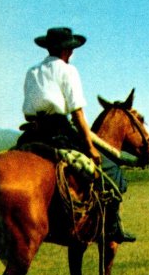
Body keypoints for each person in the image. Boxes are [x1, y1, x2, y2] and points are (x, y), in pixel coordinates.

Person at [17, 26, 136, 243]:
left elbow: (27, 112)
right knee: (110, 172)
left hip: (31, 134)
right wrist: (90, 147)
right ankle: (111, 229)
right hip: (58, 132)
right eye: (71, 49)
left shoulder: (32, 71)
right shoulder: (68, 70)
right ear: (67, 50)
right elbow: (78, 113)